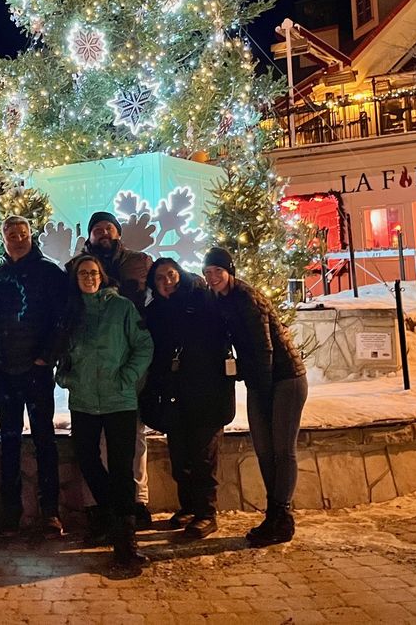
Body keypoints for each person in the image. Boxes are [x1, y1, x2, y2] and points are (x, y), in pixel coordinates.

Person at [202, 247, 308, 547]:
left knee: (281, 449)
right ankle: (273, 514)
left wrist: (261, 389)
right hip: (260, 381)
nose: (212, 278)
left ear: (229, 271)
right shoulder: (220, 299)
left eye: (217, 272)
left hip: (285, 378)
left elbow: (264, 349)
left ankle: (281, 515)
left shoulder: (248, 299)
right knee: (263, 448)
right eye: (207, 273)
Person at [56, 253, 153, 567]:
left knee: (123, 468)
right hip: (83, 401)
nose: (88, 277)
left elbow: (143, 345)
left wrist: (126, 377)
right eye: (83, 273)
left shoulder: (121, 307)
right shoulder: (71, 312)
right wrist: (65, 377)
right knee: (87, 458)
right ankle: (114, 515)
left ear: (102, 275)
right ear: (76, 278)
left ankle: (125, 541)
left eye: (93, 272)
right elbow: (60, 353)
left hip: (118, 401)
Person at [141, 258, 235, 540]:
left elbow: (220, 339)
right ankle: (189, 507)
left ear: (180, 275)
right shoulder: (155, 311)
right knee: (179, 453)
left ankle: (206, 513)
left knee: (203, 456)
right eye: (160, 278)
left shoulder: (203, 301)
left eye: (171, 275)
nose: (167, 281)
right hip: (174, 393)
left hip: (207, 391)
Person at [0, 215, 69, 538]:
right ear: (4, 238)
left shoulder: (49, 272)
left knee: (43, 438)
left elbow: (61, 318)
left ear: (30, 236)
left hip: (34, 370)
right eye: (12, 234)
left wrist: (45, 357)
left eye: (23, 234)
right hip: (3, 371)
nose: (18, 239)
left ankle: (50, 512)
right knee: (9, 441)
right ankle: (11, 513)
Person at [84, 210, 154, 528]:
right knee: (97, 438)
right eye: (97, 229)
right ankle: (105, 502)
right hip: (95, 365)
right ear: (89, 236)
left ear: (118, 233)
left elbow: (157, 297)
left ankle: (137, 499)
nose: (103, 233)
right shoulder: (81, 267)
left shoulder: (140, 262)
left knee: (133, 433)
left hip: (129, 361)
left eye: (108, 228)